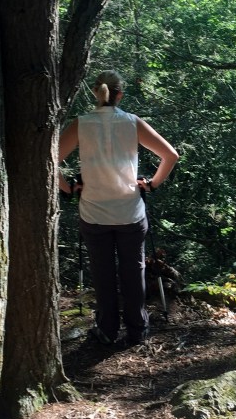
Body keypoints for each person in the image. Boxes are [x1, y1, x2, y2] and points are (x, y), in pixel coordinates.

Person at [58, 69, 179, 346]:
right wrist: (152, 184)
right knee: (133, 272)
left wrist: (68, 188)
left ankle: (107, 330)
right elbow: (171, 155)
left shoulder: (81, 124)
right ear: (119, 95)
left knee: (103, 274)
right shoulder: (132, 122)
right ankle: (138, 330)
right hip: (130, 212)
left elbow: (49, 159)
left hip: (94, 213)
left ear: (95, 93)